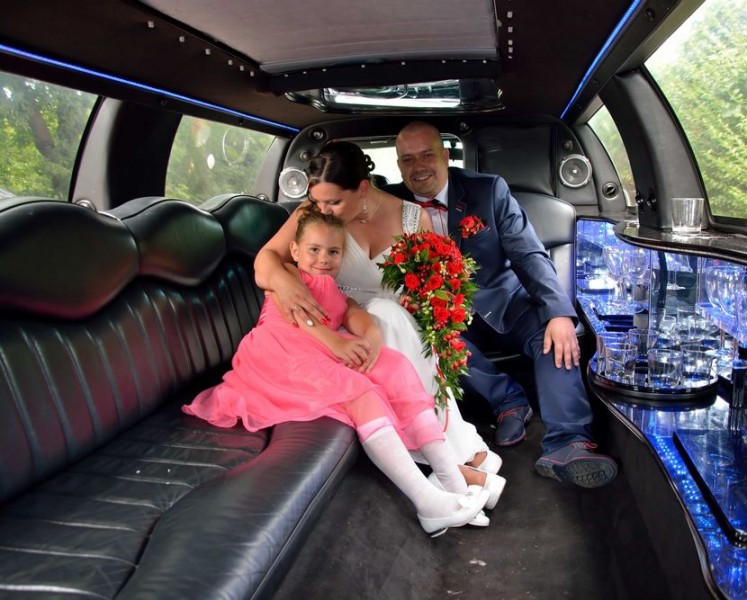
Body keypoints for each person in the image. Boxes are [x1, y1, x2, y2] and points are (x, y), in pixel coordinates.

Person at [183, 210, 493, 535]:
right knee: (358, 390)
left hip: (318, 351)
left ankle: (452, 481)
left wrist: (370, 336)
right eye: (314, 250)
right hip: (280, 353)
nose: (323, 259)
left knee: (395, 368)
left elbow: (351, 312)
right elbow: (299, 314)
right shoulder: (286, 275)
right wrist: (335, 343)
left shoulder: (334, 289)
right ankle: (426, 501)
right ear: (295, 251)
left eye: (333, 252)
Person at [382, 121, 618, 489]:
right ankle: (508, 400)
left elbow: (528, 253)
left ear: (445, 156)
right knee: (427, 340)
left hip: (506, 302)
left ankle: (568, 443)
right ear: (399, 166)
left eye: (427, 155)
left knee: (555, 334)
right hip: (445, 316)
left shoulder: (488, 190)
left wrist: (558, 312)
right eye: (408, 159)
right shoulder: (391, 205)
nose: (418, 167)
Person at [255, 141, 502, 479]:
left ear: (362, 188)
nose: (323, 210)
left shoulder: (413, 218)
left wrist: (424, 302)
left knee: (394, 316)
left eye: (334, 202)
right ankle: (447, 458)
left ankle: (445, 451)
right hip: (341, 321)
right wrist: (285, 284)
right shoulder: (311, 215)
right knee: (387, 315)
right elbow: (266, 259)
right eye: (317, 201)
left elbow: (432, 288)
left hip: (399, 321)